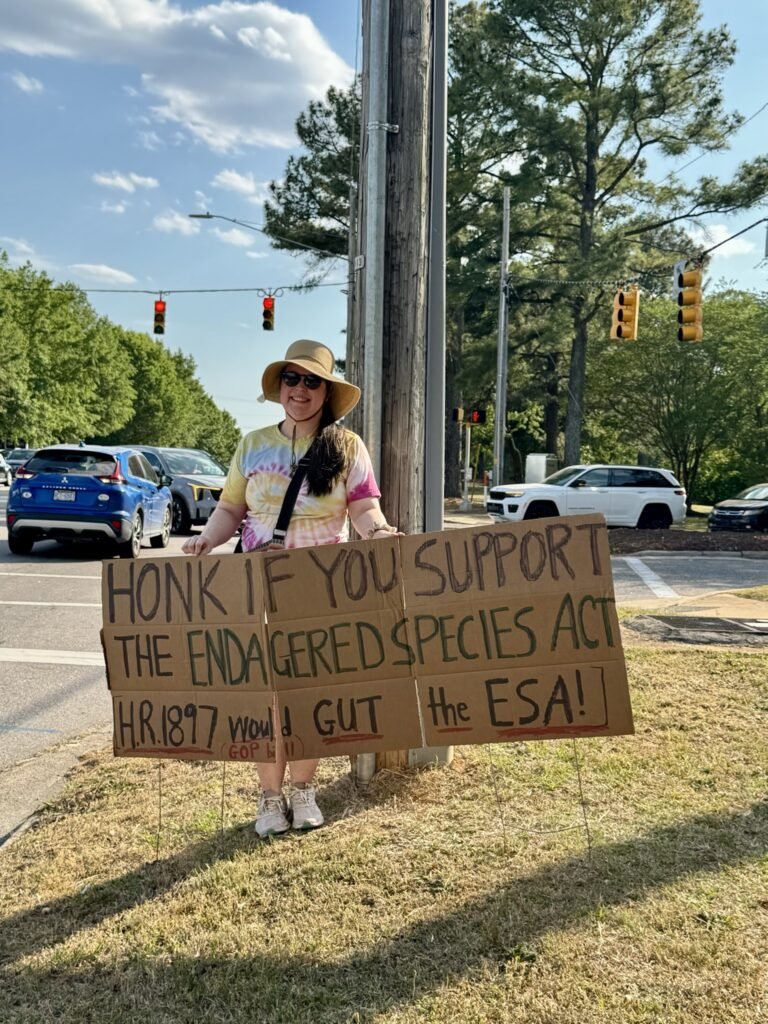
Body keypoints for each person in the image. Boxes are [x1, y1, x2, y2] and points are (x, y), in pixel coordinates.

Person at [182, 340, 399, 838]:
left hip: (324, 590)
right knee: (266, 697)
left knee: (311, 695)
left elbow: (364, 510)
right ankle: (269, 797)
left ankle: (304, 790)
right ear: (280, 387)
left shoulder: (347, 447)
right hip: (257, 589)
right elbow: (230, 510)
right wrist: (207, 541)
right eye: (291, 379)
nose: (300, 390)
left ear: (327, 391)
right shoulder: (252, 443)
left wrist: (381, 534)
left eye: (311, 381)